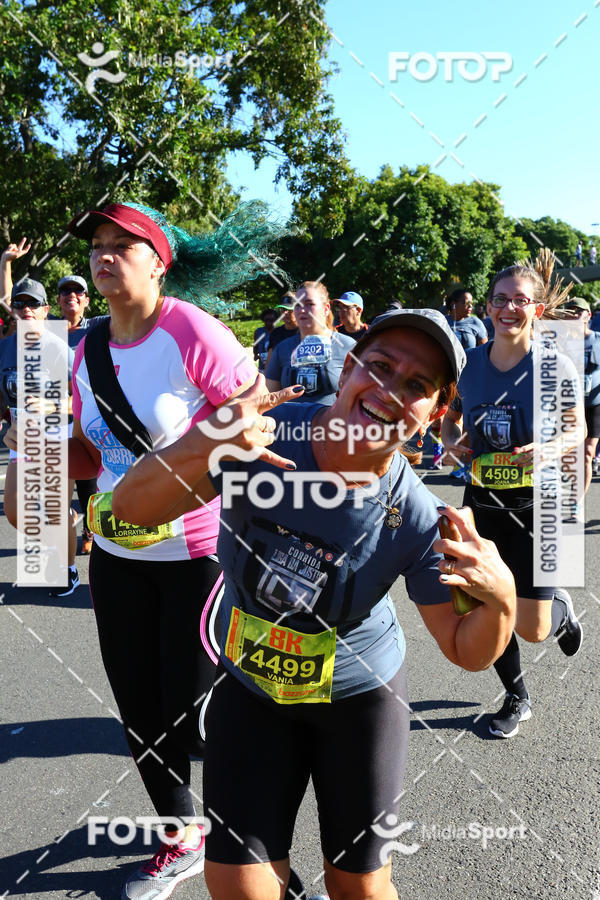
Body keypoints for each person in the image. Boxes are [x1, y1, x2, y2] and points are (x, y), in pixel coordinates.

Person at [113, 306, 518, 900]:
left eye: (415, 386)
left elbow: (467, 651)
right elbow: (131, 509)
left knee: (357, 887)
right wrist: (206, 440)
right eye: (379, 366)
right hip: (249, 687)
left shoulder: (421, 519)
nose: (388, 391)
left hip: (357, 702)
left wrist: (502, 598)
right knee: (236, 886)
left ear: (437, 412)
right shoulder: (263, 439)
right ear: (349, 365)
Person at [14, 199, 288, 900]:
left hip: (199, 555)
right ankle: (180, 834)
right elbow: (92, 455)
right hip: (117, 557)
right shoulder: (83, 351)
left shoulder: (191, 331)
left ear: (159, 263)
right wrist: (37, 457)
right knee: (139, 708)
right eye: (97, 244)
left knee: (194, 714)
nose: (104, 255)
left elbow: (253, 430)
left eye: (122, 244)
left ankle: (253, 837)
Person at [441, 256, 584, 739]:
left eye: (520, 300)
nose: (508, 308)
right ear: (487, 306)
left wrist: (548, 450)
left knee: (534, 628)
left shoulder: (554, 365)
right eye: (500, 299)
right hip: (482, 501)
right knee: (487, 602)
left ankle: (560, 611)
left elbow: (576, 429)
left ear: (537, 310)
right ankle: (517, 697)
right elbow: (451, 417)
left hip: (540, 505)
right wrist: (449, 439)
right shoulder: (472, 363)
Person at [1, 276, 78, 596]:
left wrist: (53, 403)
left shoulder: (58, 346)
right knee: (16, 512)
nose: (26, 309)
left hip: (59, 435)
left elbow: (88, 397)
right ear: (13, 311)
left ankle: (68, 570)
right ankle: (66, 525)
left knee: (55, 509)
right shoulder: (5, 348)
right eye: (19, 303)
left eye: (33, 303)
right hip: (22, 438)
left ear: (46, 310)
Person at [57, 274, 104, 554]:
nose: (71, 295)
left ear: (87, 300)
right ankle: (65, 528)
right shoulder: (46, 327)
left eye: (78, 291)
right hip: (54, 418)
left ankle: (90, 528)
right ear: (58, 300)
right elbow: (12, 304)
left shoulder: (98, 326)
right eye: (65, 291)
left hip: (86, 416)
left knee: (88, 482)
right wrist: (5, 264)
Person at [266, 281, 355, 406]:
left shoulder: (347, 346)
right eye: (297, 305)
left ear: (326, 309)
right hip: (290, 424)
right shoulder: (282, 348)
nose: (302, 310)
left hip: (334, 424)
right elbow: (270, 398)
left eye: (309, 304)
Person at [562, 296, 600, 497]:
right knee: (566, 454)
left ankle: (577, 500)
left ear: (588, 315)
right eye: (570, 311)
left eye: (579, 311)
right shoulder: (558, 342)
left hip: (594, 405)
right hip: (566, 406)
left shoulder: (598, 340)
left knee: (586, 454)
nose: (574, 315)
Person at [266, 293, 299, 358]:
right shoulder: (275, 333)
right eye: (283, 309)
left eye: (289, 310)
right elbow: (269, 360)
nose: (285, 313)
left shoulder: (305, 333)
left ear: (298, 310)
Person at [253, 308, 277, 373]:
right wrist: (255, 354)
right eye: (266, 320)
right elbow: (255, 345)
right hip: (262, 366)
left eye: (271, 320)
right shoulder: (258, 331)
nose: (269, 322)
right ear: (263, 320)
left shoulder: (279, 332)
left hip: (275, 366)